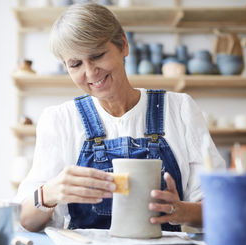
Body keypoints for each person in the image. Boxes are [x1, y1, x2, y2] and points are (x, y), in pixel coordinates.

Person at [14, 3, 225, 232]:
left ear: (123, 45)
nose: (90, 72)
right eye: (76, 64)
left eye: (97, 55)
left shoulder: (180, 109)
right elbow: (26, 220)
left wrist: (179, 211)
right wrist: (49, 193)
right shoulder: (60, 120)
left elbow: (222, 208)